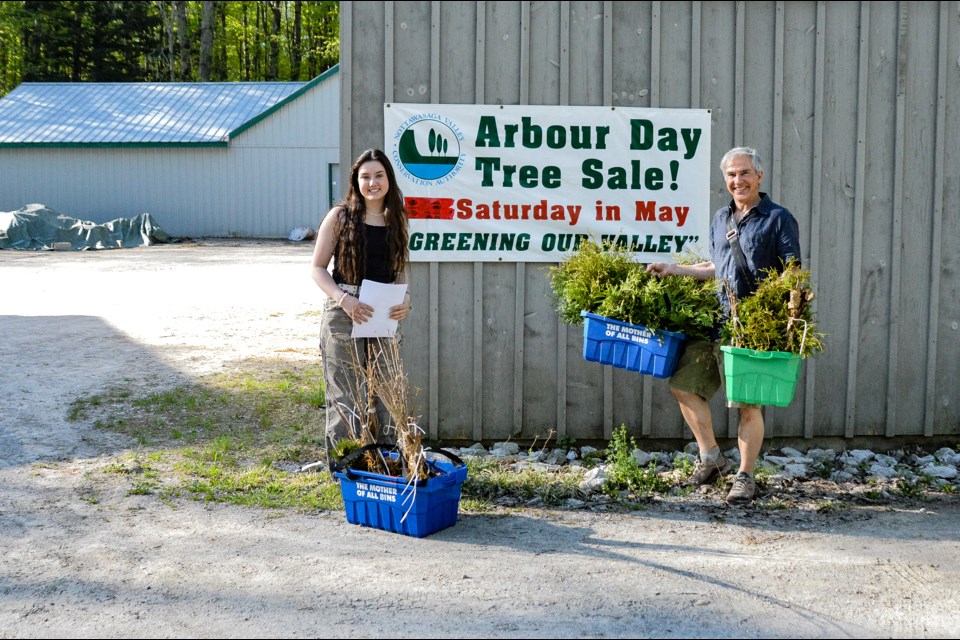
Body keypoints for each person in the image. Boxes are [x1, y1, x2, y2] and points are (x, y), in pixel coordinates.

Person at [646, 147, 801, 503]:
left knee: (749, 403)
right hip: (718, 320)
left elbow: (793, 270)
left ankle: (745, 476)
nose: (738, 181)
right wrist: (675, 268)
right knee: (684, 385)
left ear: (759, 176)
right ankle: (712, 459)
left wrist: (774, 310)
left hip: (754, 325)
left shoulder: (778, 218)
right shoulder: (721, 218)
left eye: (744, 173)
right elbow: (716, 266)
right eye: (731, 175)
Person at [310, 148, 412, 462]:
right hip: (344, 311)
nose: (372, 182)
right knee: (347, 393)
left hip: (382, 313)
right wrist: (345, 300)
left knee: (386, 390)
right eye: (365, 176)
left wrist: (405, 300)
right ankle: (345, 465)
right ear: (356, 180)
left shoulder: (397, 218)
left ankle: (383, 463)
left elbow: (399, 272)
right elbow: (317, 269)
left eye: (378, 175)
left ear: (388, 180)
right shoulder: (340, 216)